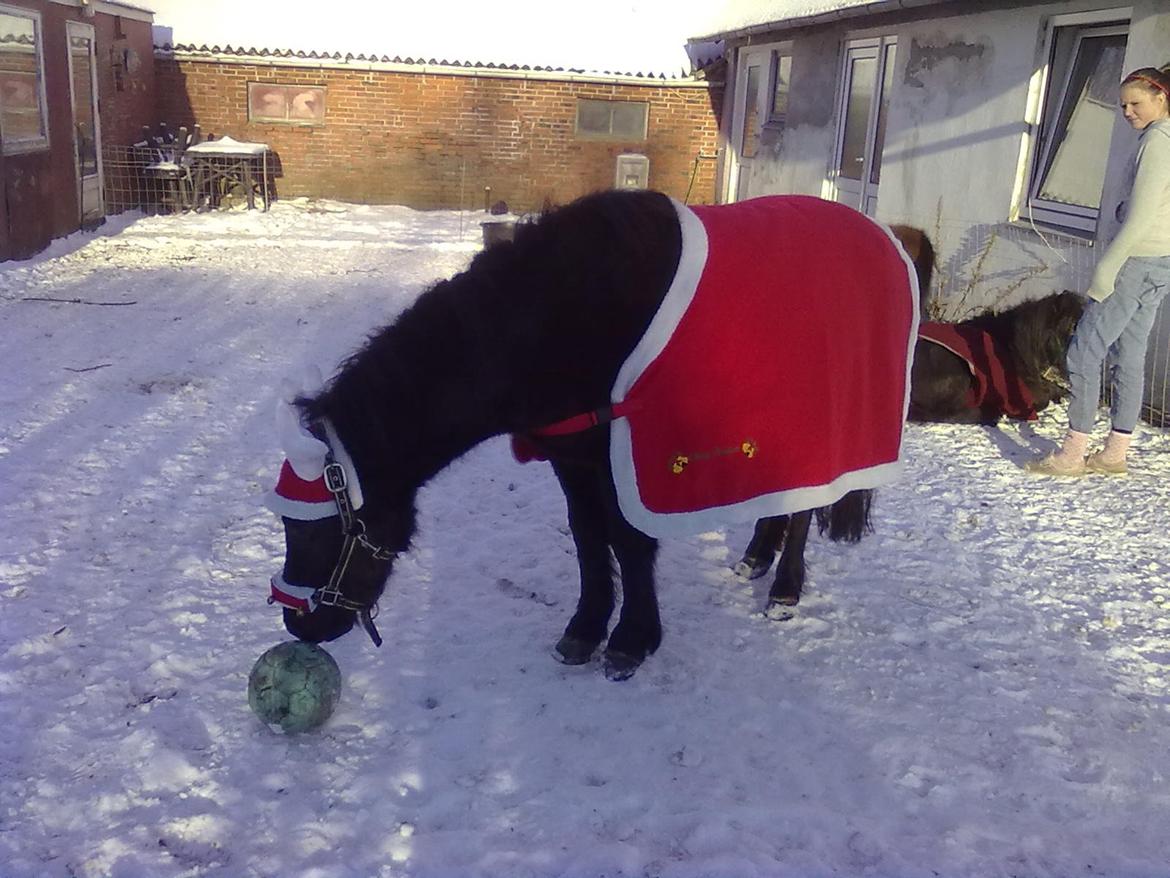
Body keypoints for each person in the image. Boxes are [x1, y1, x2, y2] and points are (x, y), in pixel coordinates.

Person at [1028, 63, 1170, 476]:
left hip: (1135, 262)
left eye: (1136, 103)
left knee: (1084, 353)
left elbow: (1142, 215)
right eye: (1123, 105)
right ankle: (1114, 453)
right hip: (1159, 263)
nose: (1128, 112)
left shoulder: (1158, 141)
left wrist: (1106, 269)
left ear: (1161, 98)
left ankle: (1072, 454)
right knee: (1130, 354)